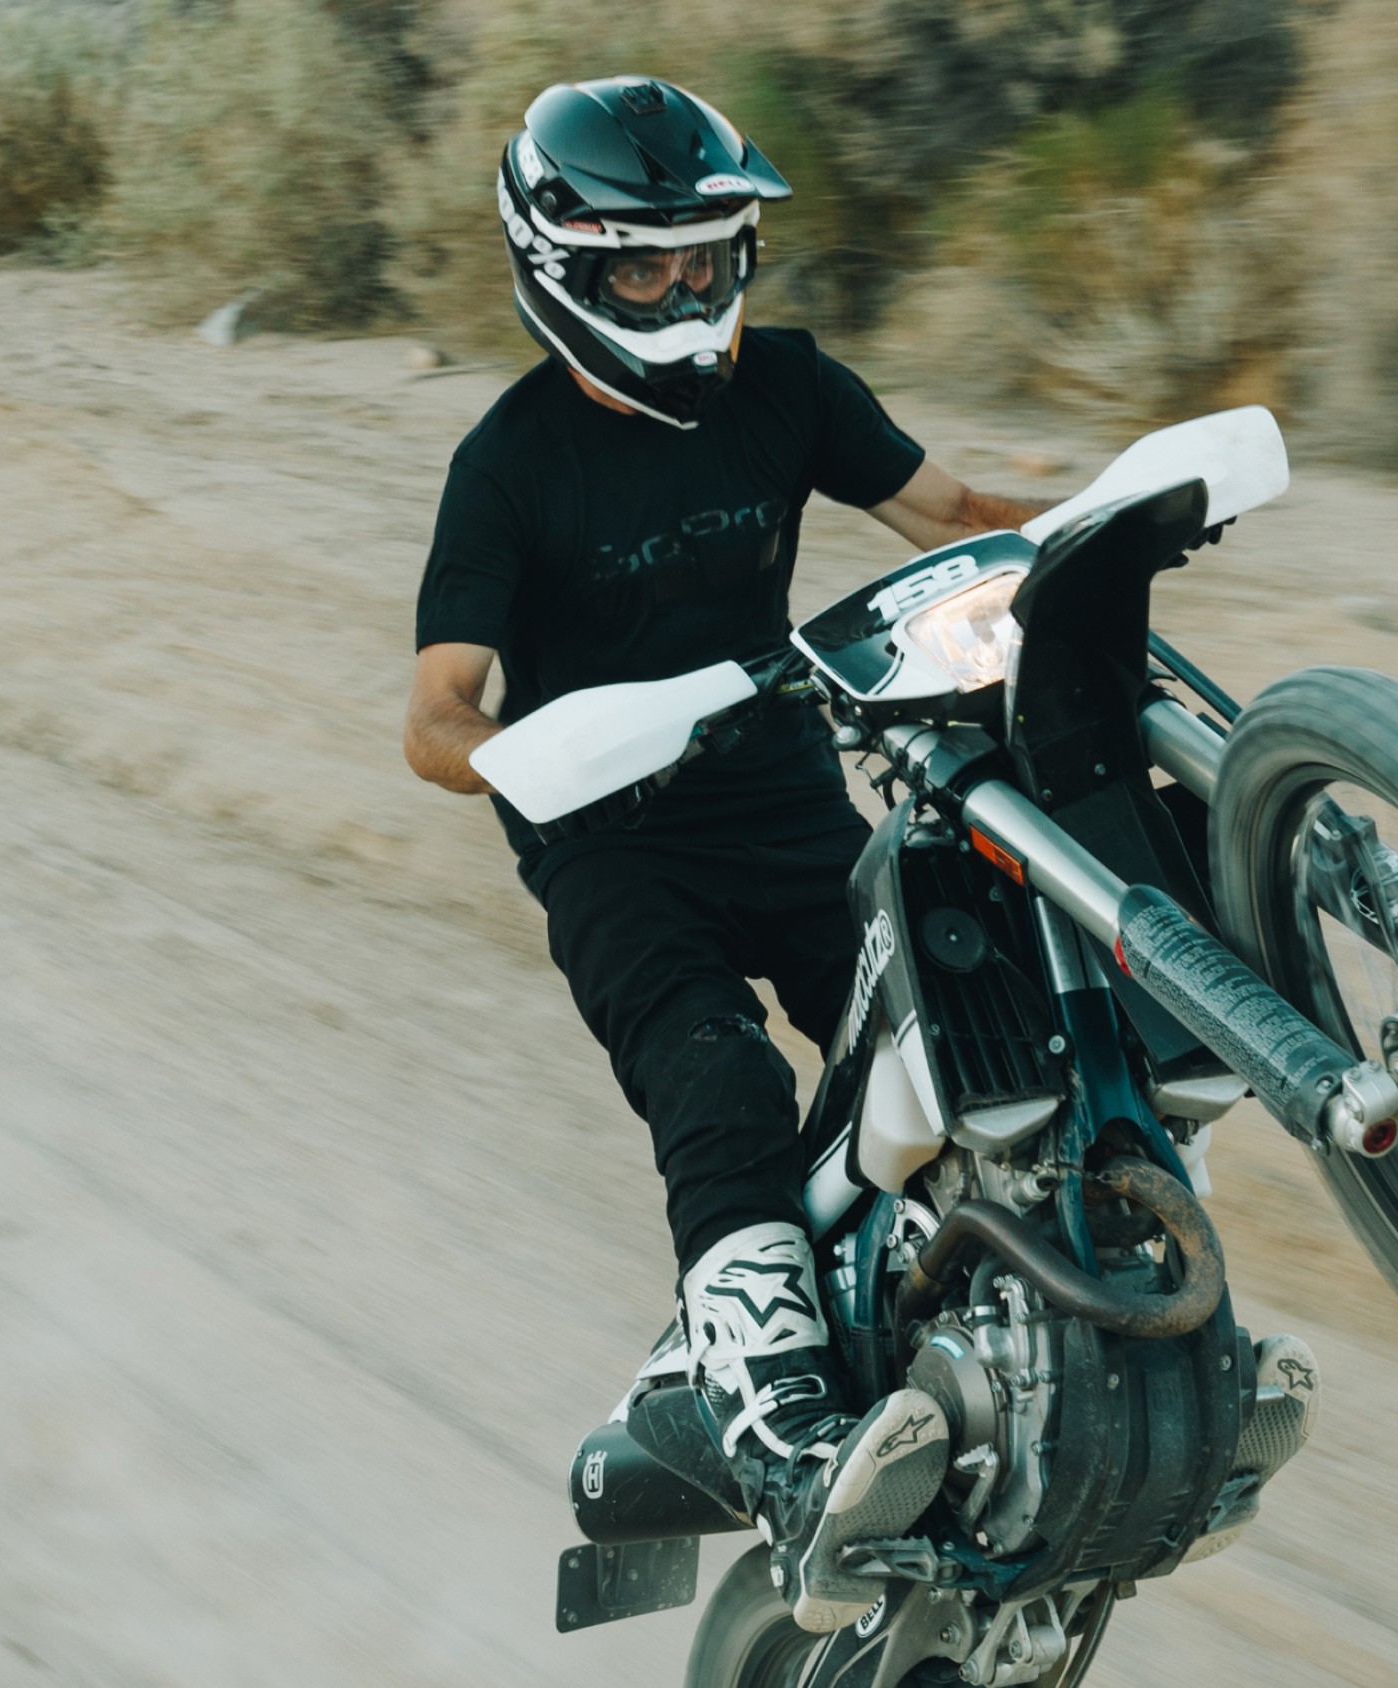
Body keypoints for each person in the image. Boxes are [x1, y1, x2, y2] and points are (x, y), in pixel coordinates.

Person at [403, 75, 1053, 1631]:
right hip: (607, 839)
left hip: (781, 802)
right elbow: (435, 710)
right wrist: (515, 754)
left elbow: (948, 514)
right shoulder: (508, 465)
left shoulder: (791, 386)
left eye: (711, 256)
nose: (691, 291)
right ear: (563, 267)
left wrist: (1086, 547)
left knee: (956, 1051)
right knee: (718, 1074)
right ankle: (772, 1421)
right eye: (648, 268)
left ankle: (1052, 1348)